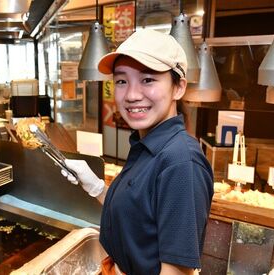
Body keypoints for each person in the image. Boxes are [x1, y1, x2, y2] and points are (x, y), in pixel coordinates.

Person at [62, 29, 214, 275]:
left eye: (148, 79)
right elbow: (140, 218)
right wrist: (96, 187)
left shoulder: (180, 161)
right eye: (122, 81)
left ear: (178, 88)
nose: (131, 95)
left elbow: (176, 272)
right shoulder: (147, 145)